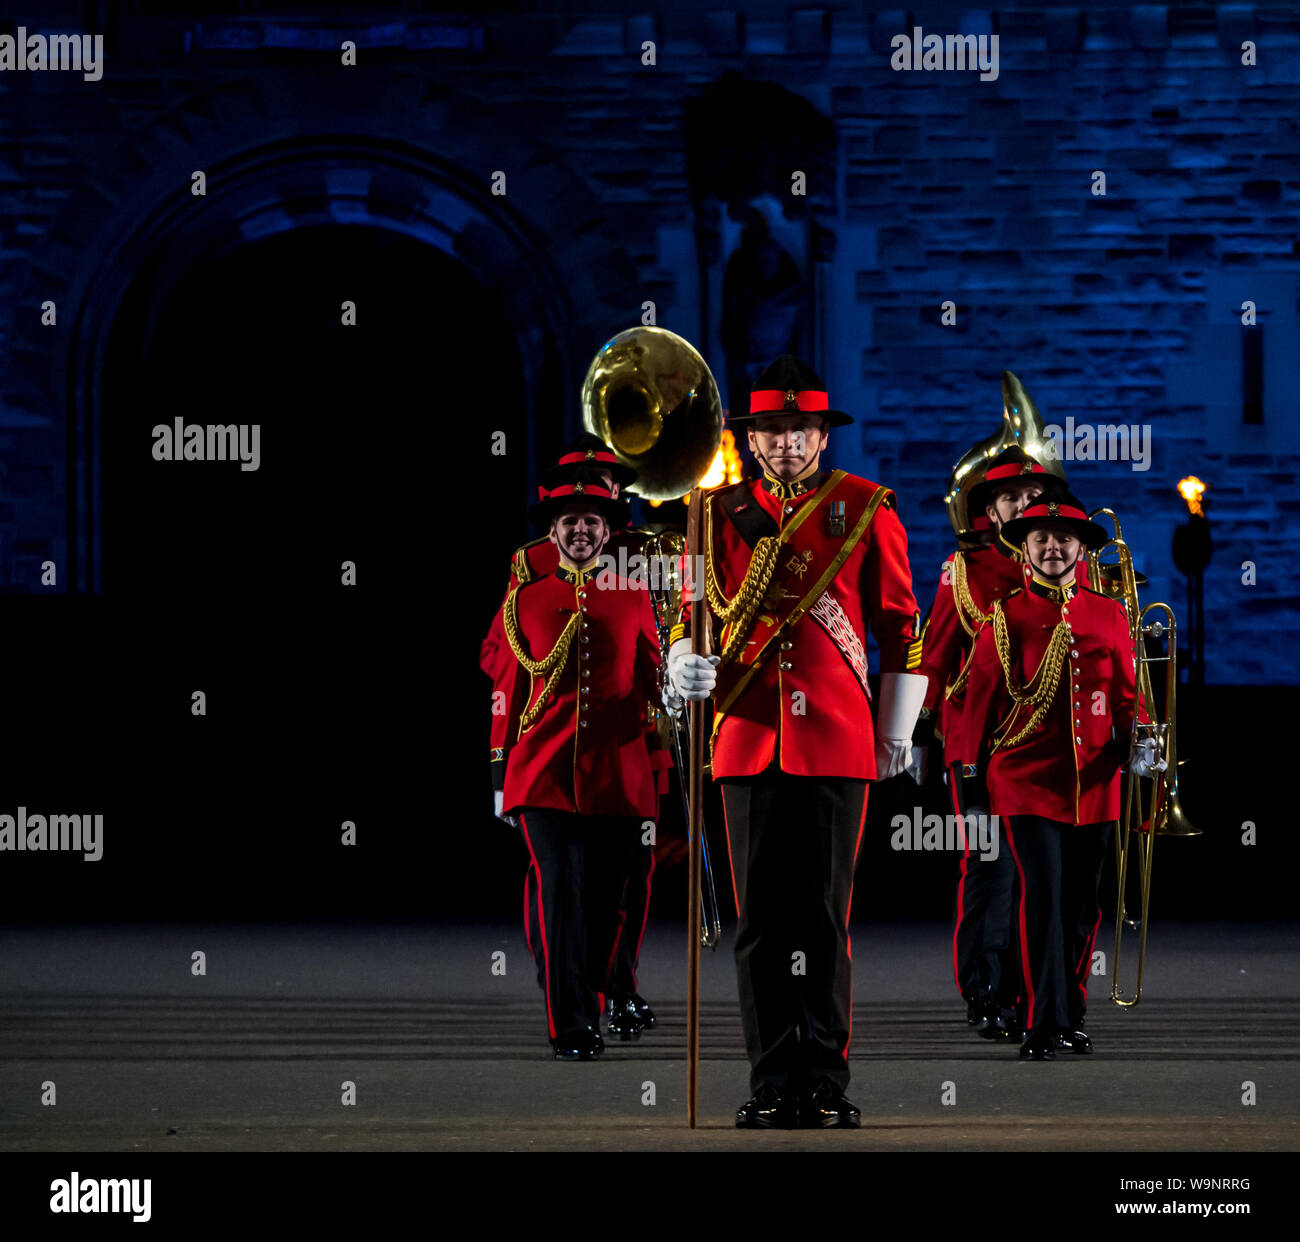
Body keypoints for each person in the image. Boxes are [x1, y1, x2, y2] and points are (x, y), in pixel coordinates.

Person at [666, 355, 927, 1126]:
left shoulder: (865, 507)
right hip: (746, 736)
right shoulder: (712, 515)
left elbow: (899, 630)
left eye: (800, 430)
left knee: (823, 920)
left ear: (821, 437)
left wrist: (895, 730)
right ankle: (771, 1077)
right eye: (772, 432)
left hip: (838, 741)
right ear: (750, 442)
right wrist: (683, 653)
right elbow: (693, 610)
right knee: (758, 927)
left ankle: (824, 1078)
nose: (786, 445)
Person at [957, 486, 1159, 1059]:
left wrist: (1142, 736)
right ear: (1026, 547)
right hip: (1026, 779)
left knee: (1083, 906)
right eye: (1041, 538)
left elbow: (1126, 693)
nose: (1052, 547)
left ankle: (1070, 1009)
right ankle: (1042, 1021)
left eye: (1063, 539)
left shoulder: (1109, 612)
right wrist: (972, 773)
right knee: (1041, 898)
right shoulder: (1006, 616)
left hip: (1096, 781)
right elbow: (982, 701)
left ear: (1078, 548)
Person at [483, 434, 664, 1038]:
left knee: (616, 896)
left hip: (622, 766)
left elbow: (653, 674)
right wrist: (499, 771)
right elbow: (505, 679)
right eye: (571, 518)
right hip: (543, 769)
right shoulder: (527, 585)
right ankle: (571, 1020)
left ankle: (612, 986)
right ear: (554, 526)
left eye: (596, 513)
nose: (584, 526)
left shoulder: (634, 581)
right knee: (559, 894)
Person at [915, 446, 1052, 1040]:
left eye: (1030, 498)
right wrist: (920, 728)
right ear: (991, 511)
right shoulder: (964, 570)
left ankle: (1035, 990)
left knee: (1040, 872)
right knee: (991, 866)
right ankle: (985, 990)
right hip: (978, 741)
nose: (1022, 507)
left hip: (1043, 746)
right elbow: (938, 650)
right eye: (1010, 499)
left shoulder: (1063, 561)